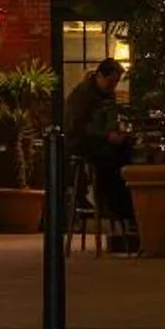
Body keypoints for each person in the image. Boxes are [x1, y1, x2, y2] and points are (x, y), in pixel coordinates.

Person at [63, 57, 136, 235]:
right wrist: (106, 135)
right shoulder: (82, 95)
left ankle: (123, 203)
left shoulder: (105, 93)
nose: (113, 86)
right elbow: (77, 126)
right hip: (81, 142)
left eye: (116, 82)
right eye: (111, 81)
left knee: (126, 152)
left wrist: (117, 132)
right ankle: (112, 202)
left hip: (99, 139)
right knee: (108, 158)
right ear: (99, 76)